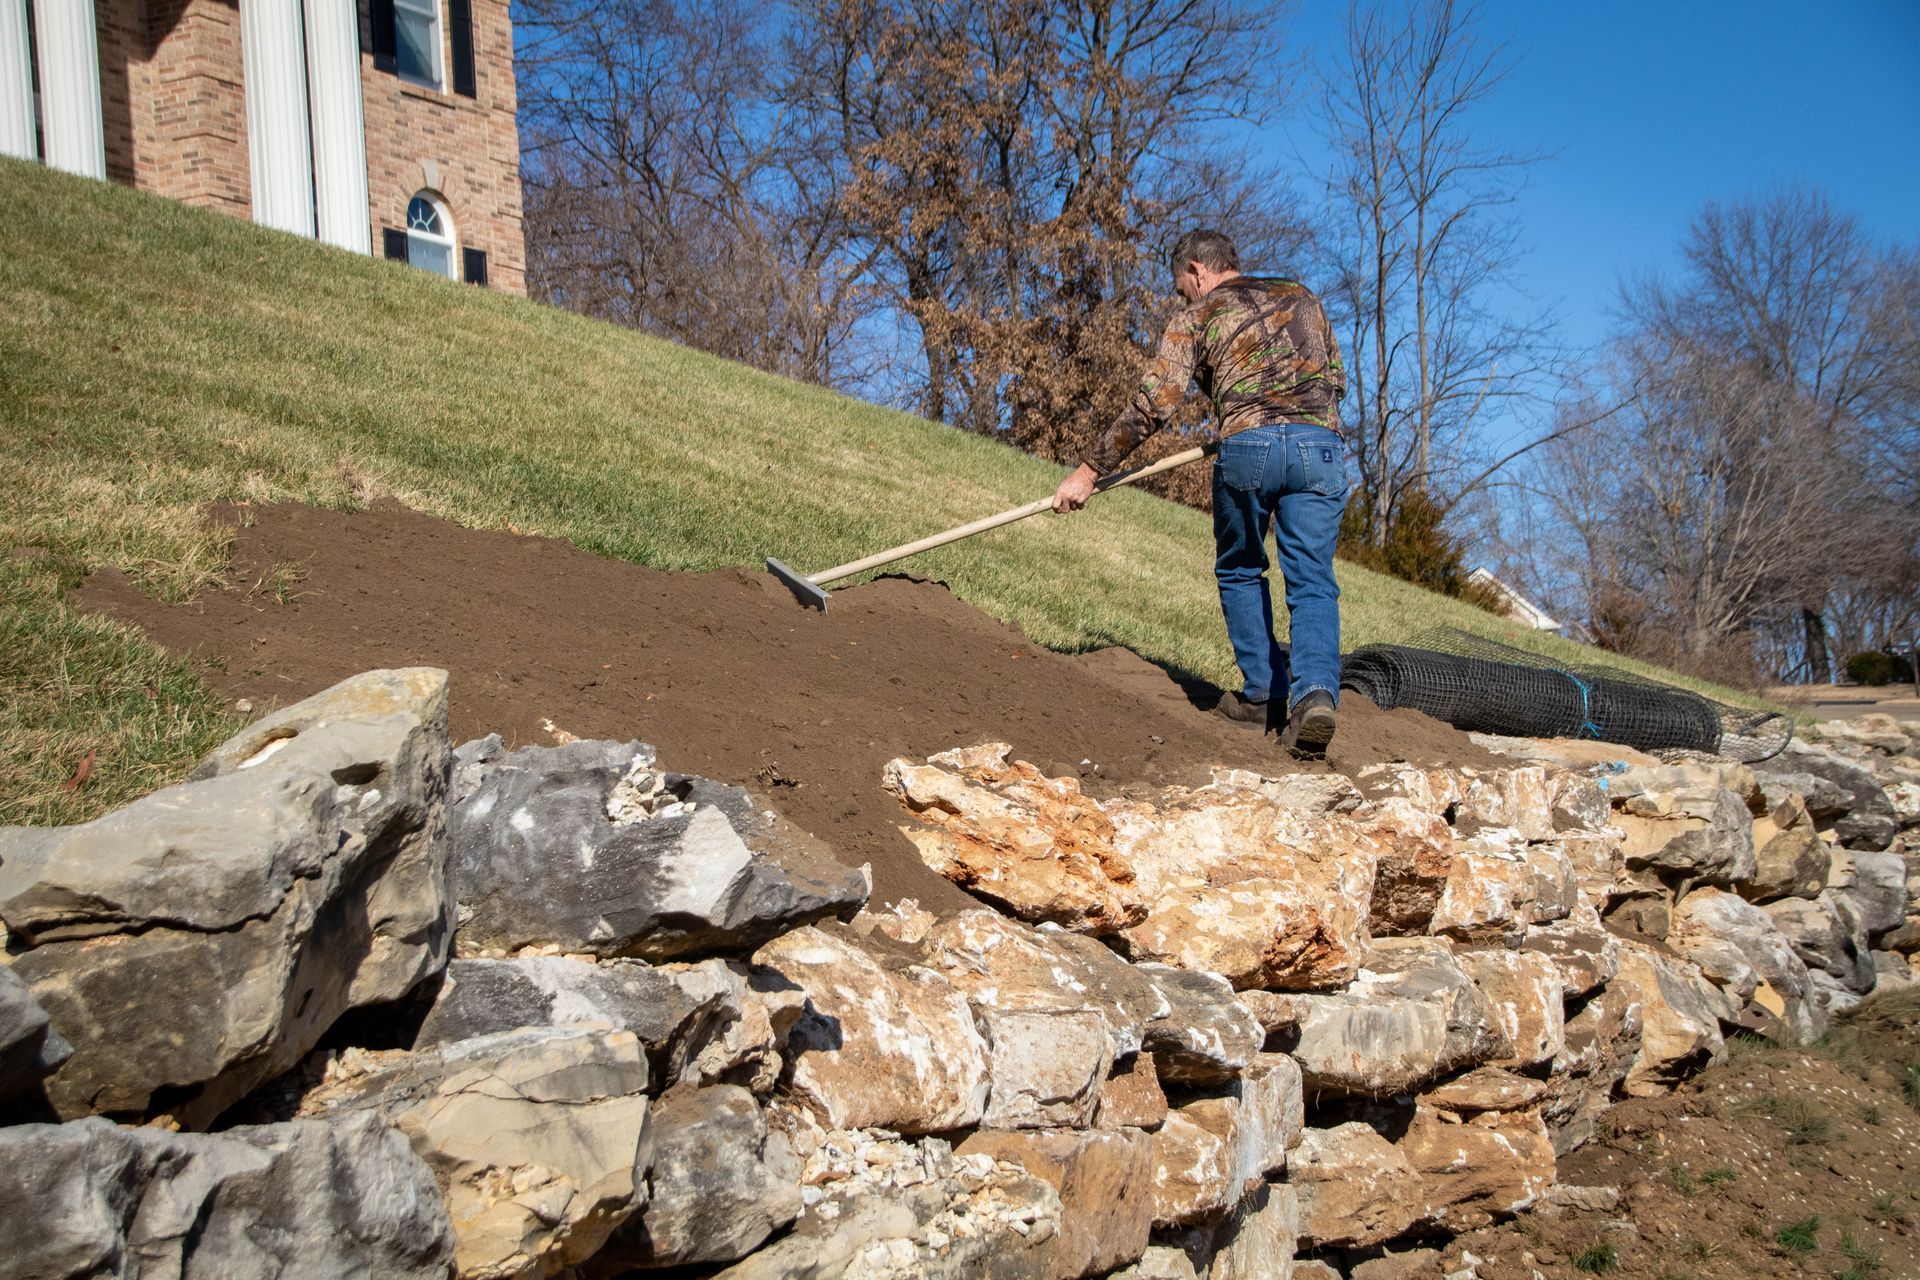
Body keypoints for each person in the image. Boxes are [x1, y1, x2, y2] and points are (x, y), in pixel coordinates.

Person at [1050, 228, 1349, 755]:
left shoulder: (1198, 315)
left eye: (1180, 285)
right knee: (1312, 578)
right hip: (1319, 445)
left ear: (1196, 269)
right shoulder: (1302, 296)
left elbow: (1155, 402)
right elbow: (1336, 379)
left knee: (1240, 567)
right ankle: (1316, 695)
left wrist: (1089, 471)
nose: (1181, 296)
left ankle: (1263, 695)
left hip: (1249, 444)